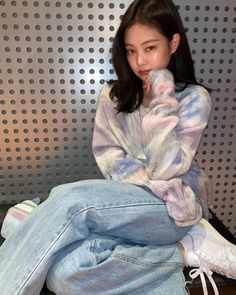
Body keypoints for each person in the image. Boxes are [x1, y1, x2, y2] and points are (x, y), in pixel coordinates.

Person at [0, 0, 235, 294]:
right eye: (131, 50)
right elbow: (107, 155)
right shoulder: (112, 96)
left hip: (174, 207)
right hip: (128, 203)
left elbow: (167, 168)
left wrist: (162, 98)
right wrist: (139, 184)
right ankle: (183, 250)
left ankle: (31, 222)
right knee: (66, 275)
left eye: (150, 48)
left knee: (70, 201)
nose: (140, 61)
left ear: (173, 43)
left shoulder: (194, 98)